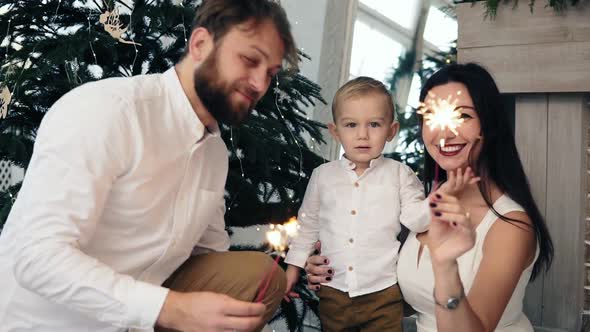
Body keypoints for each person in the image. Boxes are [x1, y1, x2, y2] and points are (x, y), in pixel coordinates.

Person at [0, 1, 298, 331]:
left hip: (134, 319)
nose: (259, 84)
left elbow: (212, 258)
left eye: (269, 74)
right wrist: (169, 309)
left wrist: (287, 269)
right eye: (249, 60)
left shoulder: (213, 153)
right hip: (44, 322)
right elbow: (36, 257)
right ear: (200, 44)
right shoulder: (107, 112)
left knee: (256, 275)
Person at [304, 63, 554, 332]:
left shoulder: (510, 225)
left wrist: (445, 266)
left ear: (488, 124)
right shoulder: (421, 206)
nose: (445, 132)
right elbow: (415, 299)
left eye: (462, 115)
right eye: (433, 117)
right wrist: (340, 274)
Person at [282, 76, 431, 331]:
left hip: (383, 292)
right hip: (333, 292)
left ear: (391, 131)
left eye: (374, 124)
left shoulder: (400, 174)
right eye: (351, 125)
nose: (362, 135)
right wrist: (292, 271)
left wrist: (438, 201)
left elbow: (415, 219)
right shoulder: (323, 176)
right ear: (335, 131)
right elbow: (308, 227)